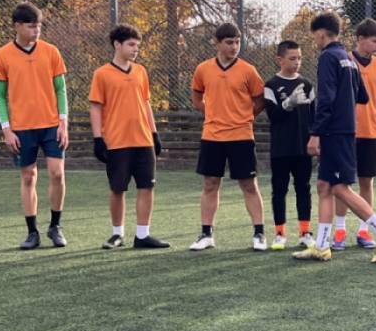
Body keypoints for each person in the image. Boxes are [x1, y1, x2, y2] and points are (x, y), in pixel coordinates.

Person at [294, 12, 376, 263]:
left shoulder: (328, 57)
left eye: (315, 37)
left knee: (340, 188)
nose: (316, 41)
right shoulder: (348, 59)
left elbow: (326, 99)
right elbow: (362, 96)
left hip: (334, 132)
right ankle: (322, 246)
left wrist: (315, 134)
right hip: (345, 130)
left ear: (321, 33)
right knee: (324, 186)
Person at [0, 2, 69, 250]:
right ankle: (32, 232)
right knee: (28, 177)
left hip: (51, 125)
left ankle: (55, 226)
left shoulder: (51, 52)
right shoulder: (2, 55)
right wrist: (7, 129)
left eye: (39, 26)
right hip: (21, 128)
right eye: (31, 26)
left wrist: (63, 122)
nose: (37, 30)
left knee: (57, 173)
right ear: (17, 26)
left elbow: (61, 89)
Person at [88, 24, 169, 250]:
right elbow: (95, 107)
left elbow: (146, 103)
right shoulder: (102, 74)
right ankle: (117, 234)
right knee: (117, 189)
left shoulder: (141, 71)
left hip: (143, 141)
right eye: (131, 44)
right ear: (117, 44)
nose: (136, 49)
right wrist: (98, 139)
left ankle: (142, 235)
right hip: (117, 142)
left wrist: (154, 133)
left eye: (138, 46)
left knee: (147, 186)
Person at [188, 22, 267, 251]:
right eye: (229, 42)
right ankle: (206, 234)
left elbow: (260, 100)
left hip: (241, 136)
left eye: (237, 42)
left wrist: (244, 116)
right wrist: (213, 114)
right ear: (218, 43)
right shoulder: (203, 69)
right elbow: (196, 97)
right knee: (210, 184)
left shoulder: (248, 70)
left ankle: (259, 234)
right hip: (212, 136)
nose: (234, 46)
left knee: (249, 185)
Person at [333, 18, 376, 251]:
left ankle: (363, 231)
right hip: (345, 133)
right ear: (360, 39)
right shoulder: (343, 61)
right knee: (342, 184)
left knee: (367, 182)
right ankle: (339, 232)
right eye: (375, 41)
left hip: (371, 133)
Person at [264, 40, 316, 251]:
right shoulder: (271, 85)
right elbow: (273, 116)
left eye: (299, 58)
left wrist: (315, 139)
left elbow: (315, 116)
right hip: (281, 148)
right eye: (292, 58)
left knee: (304, 188)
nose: (297, 62)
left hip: (303, 148)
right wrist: (288, 103)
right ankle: (280, 233)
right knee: (279, 190)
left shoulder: (307, 84)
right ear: (280, 59)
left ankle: (305, 232)